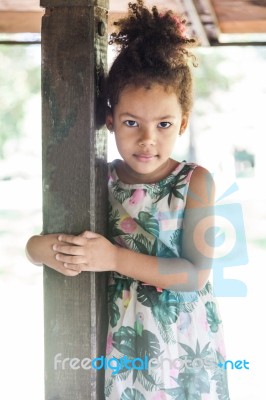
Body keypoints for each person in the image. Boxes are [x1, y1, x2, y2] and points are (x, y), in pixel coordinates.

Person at [26, 1, 230, 398]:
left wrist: (113, 259)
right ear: (110, 119)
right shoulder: (99, 180)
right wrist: (45, 249)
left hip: (183, 345)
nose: (147, 139)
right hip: (123, 341)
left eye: (164, 124)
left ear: (183, 122)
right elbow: (35, 249)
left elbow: (195, 275)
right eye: (131, 123)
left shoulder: (195, 182)